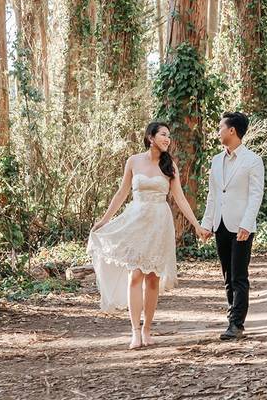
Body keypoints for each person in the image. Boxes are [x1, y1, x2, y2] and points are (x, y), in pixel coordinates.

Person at [88, 121, 210, 349]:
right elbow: (122, 193)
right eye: (163, 135)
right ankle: (134, 331)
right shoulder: (133, 161)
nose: (168, 139)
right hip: (137, 220)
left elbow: (180, 198)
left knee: (153, 278)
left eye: (169, 136)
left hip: (159, 224)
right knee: (135, 275)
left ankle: (147, 329)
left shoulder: (169, 165)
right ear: (150, 137)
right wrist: (104, 219)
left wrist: (196, 225)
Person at [199, 112, 264, 340]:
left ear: (232, 131)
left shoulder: (253, 160)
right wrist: (207, 225)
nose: (218, 132)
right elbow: (213, 195)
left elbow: (256, 195)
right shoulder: (216, 160)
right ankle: (232, 317)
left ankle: (237, 324)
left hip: (241, 226)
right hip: (220, 224)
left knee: (239, 276)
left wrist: (247, 224)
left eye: (220, 128)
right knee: (227, 276)